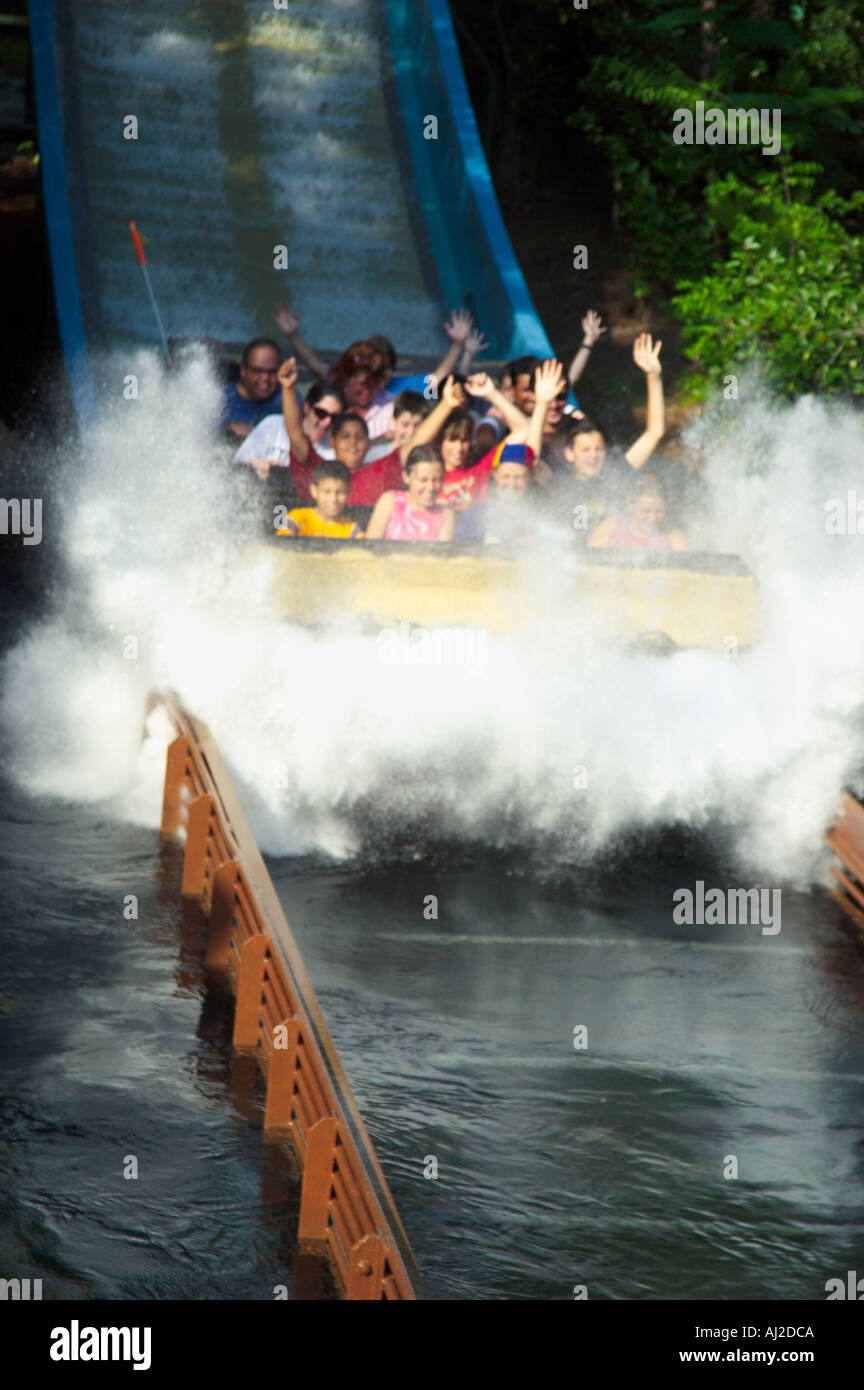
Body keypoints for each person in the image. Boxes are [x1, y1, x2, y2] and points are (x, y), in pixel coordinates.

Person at [545, 332, 667, 539]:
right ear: (569, 454)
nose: (592, 456)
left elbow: (655, 432)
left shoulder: (616, 474)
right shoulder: (558, 481)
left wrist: (653, 377)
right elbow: (527, 448)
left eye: (598, 449)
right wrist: (542, 403)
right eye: (585, 450)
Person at [277, 357, 423, 506]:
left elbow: (416, 443)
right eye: (345, 437)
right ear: (332, 442)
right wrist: (288, 388)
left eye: (359, 437)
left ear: (367, 443)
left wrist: (446, 405)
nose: (353, 442)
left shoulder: (381, 472)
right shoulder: (315, 469)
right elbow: (296, 435)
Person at [233, 379, 345, 480]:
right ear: (307, 407)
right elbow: (234, 467)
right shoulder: (273, 425)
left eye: (335, 417)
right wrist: (252, 465)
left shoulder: (335, 450)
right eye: (321, 413)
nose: (327, 422)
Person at [365, 446, 455, 542]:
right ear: (406, 477)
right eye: (423, 480)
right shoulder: (390, 501)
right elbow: (370, 547)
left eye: (437, 480)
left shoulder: (446, 514)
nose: (431, 487)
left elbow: (443, 555)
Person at [454, 443, 538, 544]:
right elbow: (461, 551)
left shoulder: (540, 516)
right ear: (495, 475)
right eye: (506, 476)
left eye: (519, 477)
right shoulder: (476, 514)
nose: (511, 483)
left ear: (531, 478)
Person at [588, 474, 687, 551]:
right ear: (630, 505)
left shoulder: (671, 534)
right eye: (646, 511)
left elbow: (689, 566)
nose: (653, 518)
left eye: (659, 511)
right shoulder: (611, 528)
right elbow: (588, 561)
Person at [276, 459, 362, 539]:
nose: (333, 499)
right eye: (327, 492)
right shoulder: (296, 518)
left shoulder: (352, 530)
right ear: (314, 491)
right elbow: (281, 546)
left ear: (348, 493)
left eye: (340, 492)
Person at [219, 338, 283, 438]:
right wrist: (227, 432)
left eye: (272, 372)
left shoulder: (288, 398)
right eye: (258, 371)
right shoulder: (220, 399)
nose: (265, 377)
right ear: (243, 370)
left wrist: (257, 433)